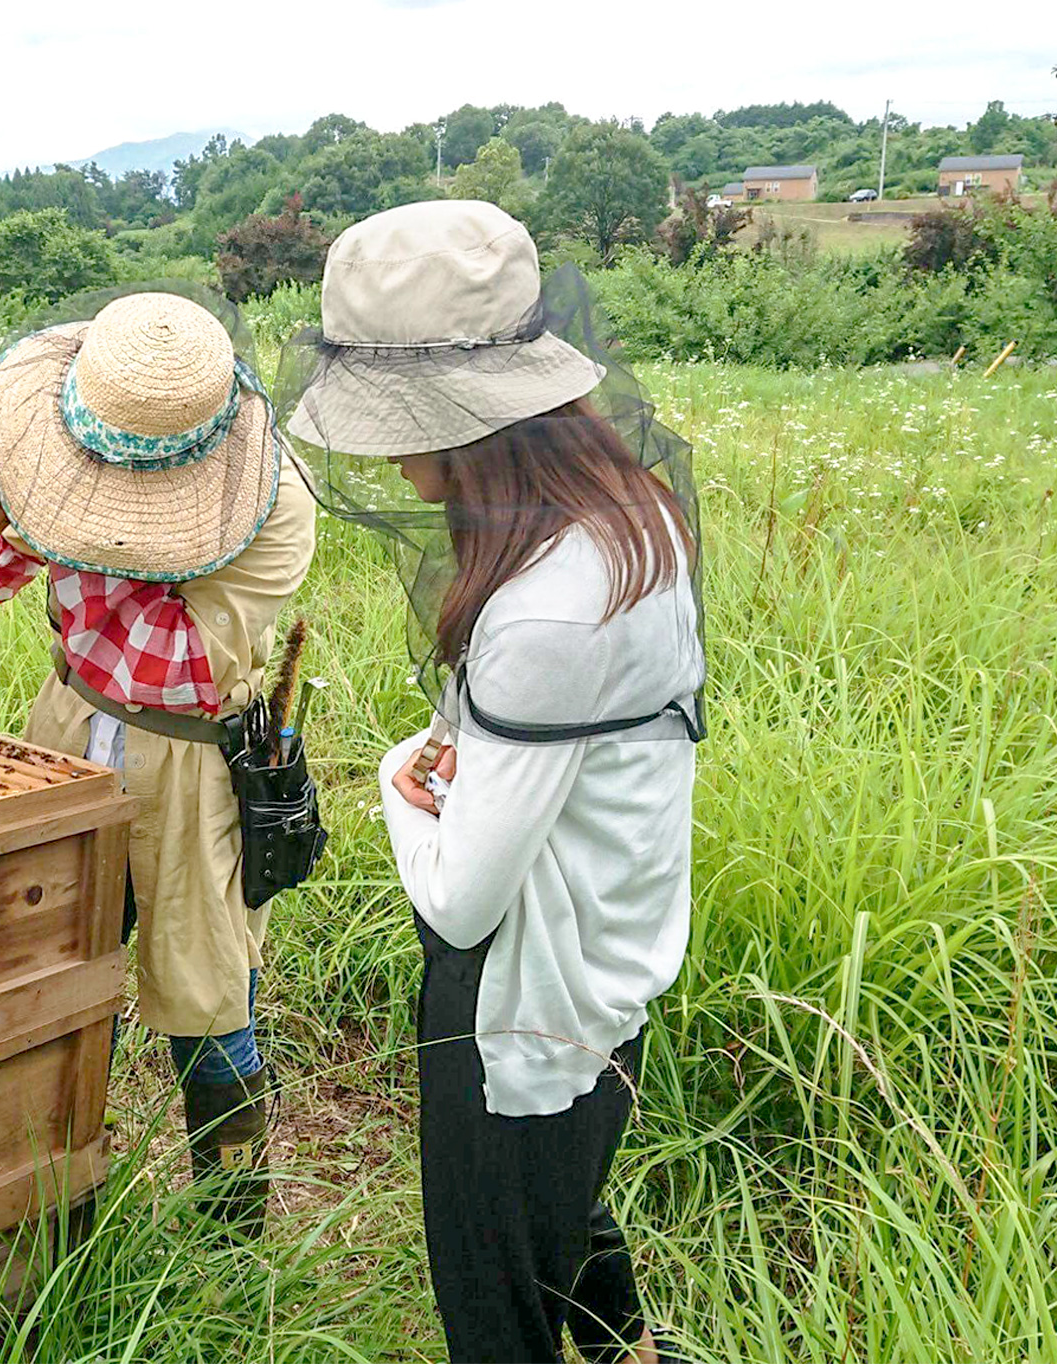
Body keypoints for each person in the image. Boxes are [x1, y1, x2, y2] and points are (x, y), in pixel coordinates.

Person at [281, 201, 704, 1363]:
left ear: (470, 426)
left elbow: (458, 901)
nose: (388, 460)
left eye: (399, 428)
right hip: (608, 954)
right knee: (556, 1213)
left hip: (515, 991)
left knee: (490, 1296)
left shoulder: (544, 605)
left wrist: (387, 777)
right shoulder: (626, 524)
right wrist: (472, 757)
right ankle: (632, 1349)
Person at [0, 288, 317, 1235]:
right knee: (43, 959)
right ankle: (49, 1194)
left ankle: (234, 1226)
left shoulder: (275, 504)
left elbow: (172, 665)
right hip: (69, 728)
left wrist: (74, 550)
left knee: (204, 990)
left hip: (193, 761)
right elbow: (2, 553)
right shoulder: (70, 457)